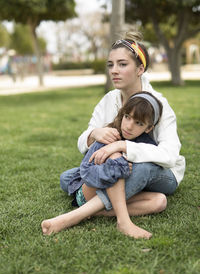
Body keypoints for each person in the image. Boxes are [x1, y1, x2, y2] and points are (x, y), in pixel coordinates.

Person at [43, 31, 185, 238]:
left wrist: (122, 146)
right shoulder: (109, 100)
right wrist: (95, 134)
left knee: (132, 164)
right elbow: (82, 141)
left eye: (122, 64)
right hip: (125, 171)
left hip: (161, 173)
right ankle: (106, 208)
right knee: (68, 178)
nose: (114, 71)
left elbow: (170, 155)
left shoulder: (159, 104)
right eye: (111, 65)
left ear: (140, 69)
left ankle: (78, 216)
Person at [41, 91, 163, 238]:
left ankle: (94, 211)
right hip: (90, 189)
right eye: (127, 117)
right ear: (122, 114)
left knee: (159, 201)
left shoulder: (146, 146)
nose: (129, 126)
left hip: (114, 195)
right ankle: (123, 222)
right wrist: (120, 167)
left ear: (149, 128)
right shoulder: (110, 136)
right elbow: (87, 172)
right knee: (115, 159)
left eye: (138, 123)